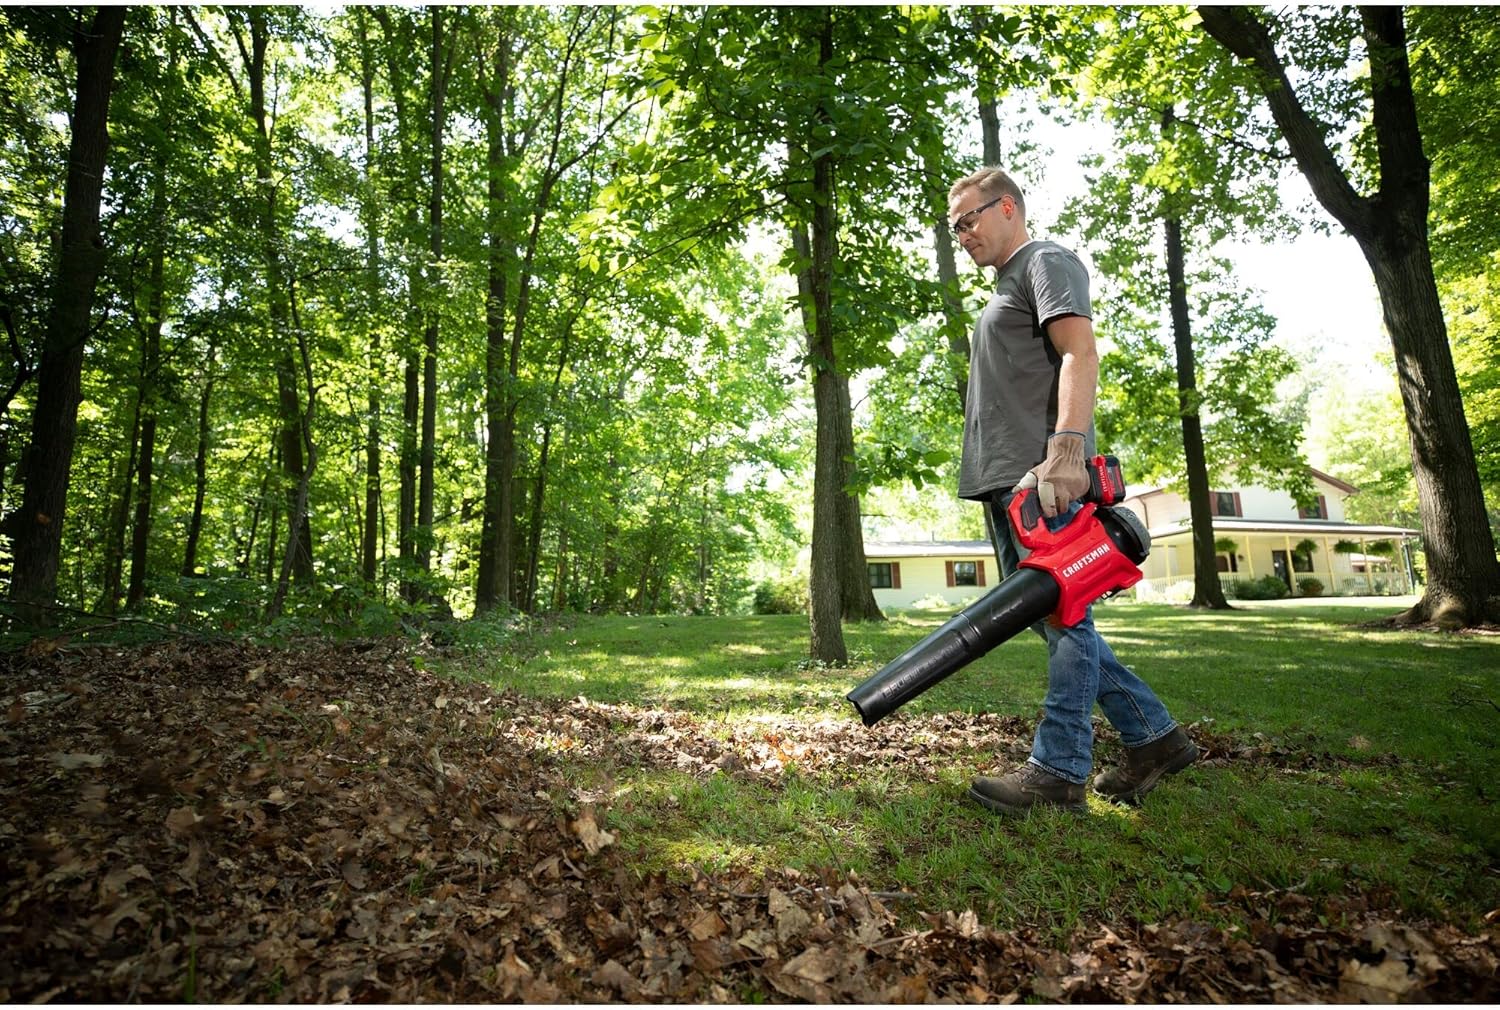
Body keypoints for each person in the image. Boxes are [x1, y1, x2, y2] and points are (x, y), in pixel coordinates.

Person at [946, 167, 1198, 815]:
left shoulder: (1045, 261)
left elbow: (1079, 354)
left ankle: (1058, 771)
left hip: (1042, 482)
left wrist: (1065, 453)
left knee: (1065, 616)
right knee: (1053, 619)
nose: (962, 234)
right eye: (954, 228)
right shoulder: (1006, 286)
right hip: (1006, 481)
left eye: (969, 219)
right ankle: (1154, 738)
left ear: (1008, 207)